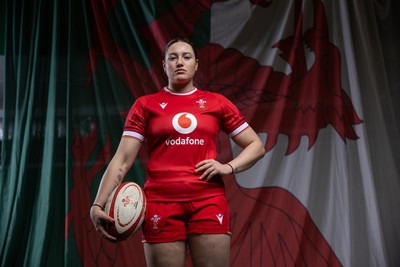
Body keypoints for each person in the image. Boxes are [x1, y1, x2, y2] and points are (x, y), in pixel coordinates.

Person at [90, 37, 265, 267]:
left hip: (207, 200)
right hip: (160, 203)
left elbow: (256, 146)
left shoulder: (216, 102)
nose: (179, 62)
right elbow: (122, 160)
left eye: (186, 57)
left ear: (196, 64)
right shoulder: (145, 105)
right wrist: (97, 204)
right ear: (164, 66)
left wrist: (228, 167)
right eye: (172, 58)